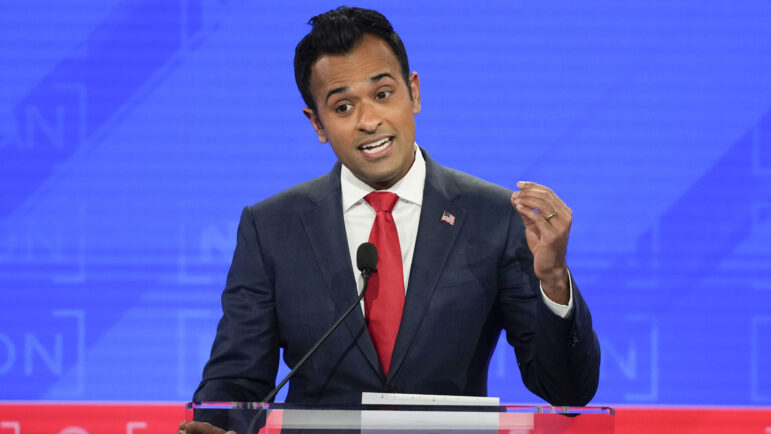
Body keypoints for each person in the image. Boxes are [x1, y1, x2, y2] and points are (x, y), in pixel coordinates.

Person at [180, 6, 600, 433]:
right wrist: (216, 425)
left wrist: (552, 279)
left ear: (413, 93)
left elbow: (567, 389)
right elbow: (235, 382)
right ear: (317, 123)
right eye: (343, 107)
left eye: (383, 95)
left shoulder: (494, 218)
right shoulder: (271, 228)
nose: (369, 121)